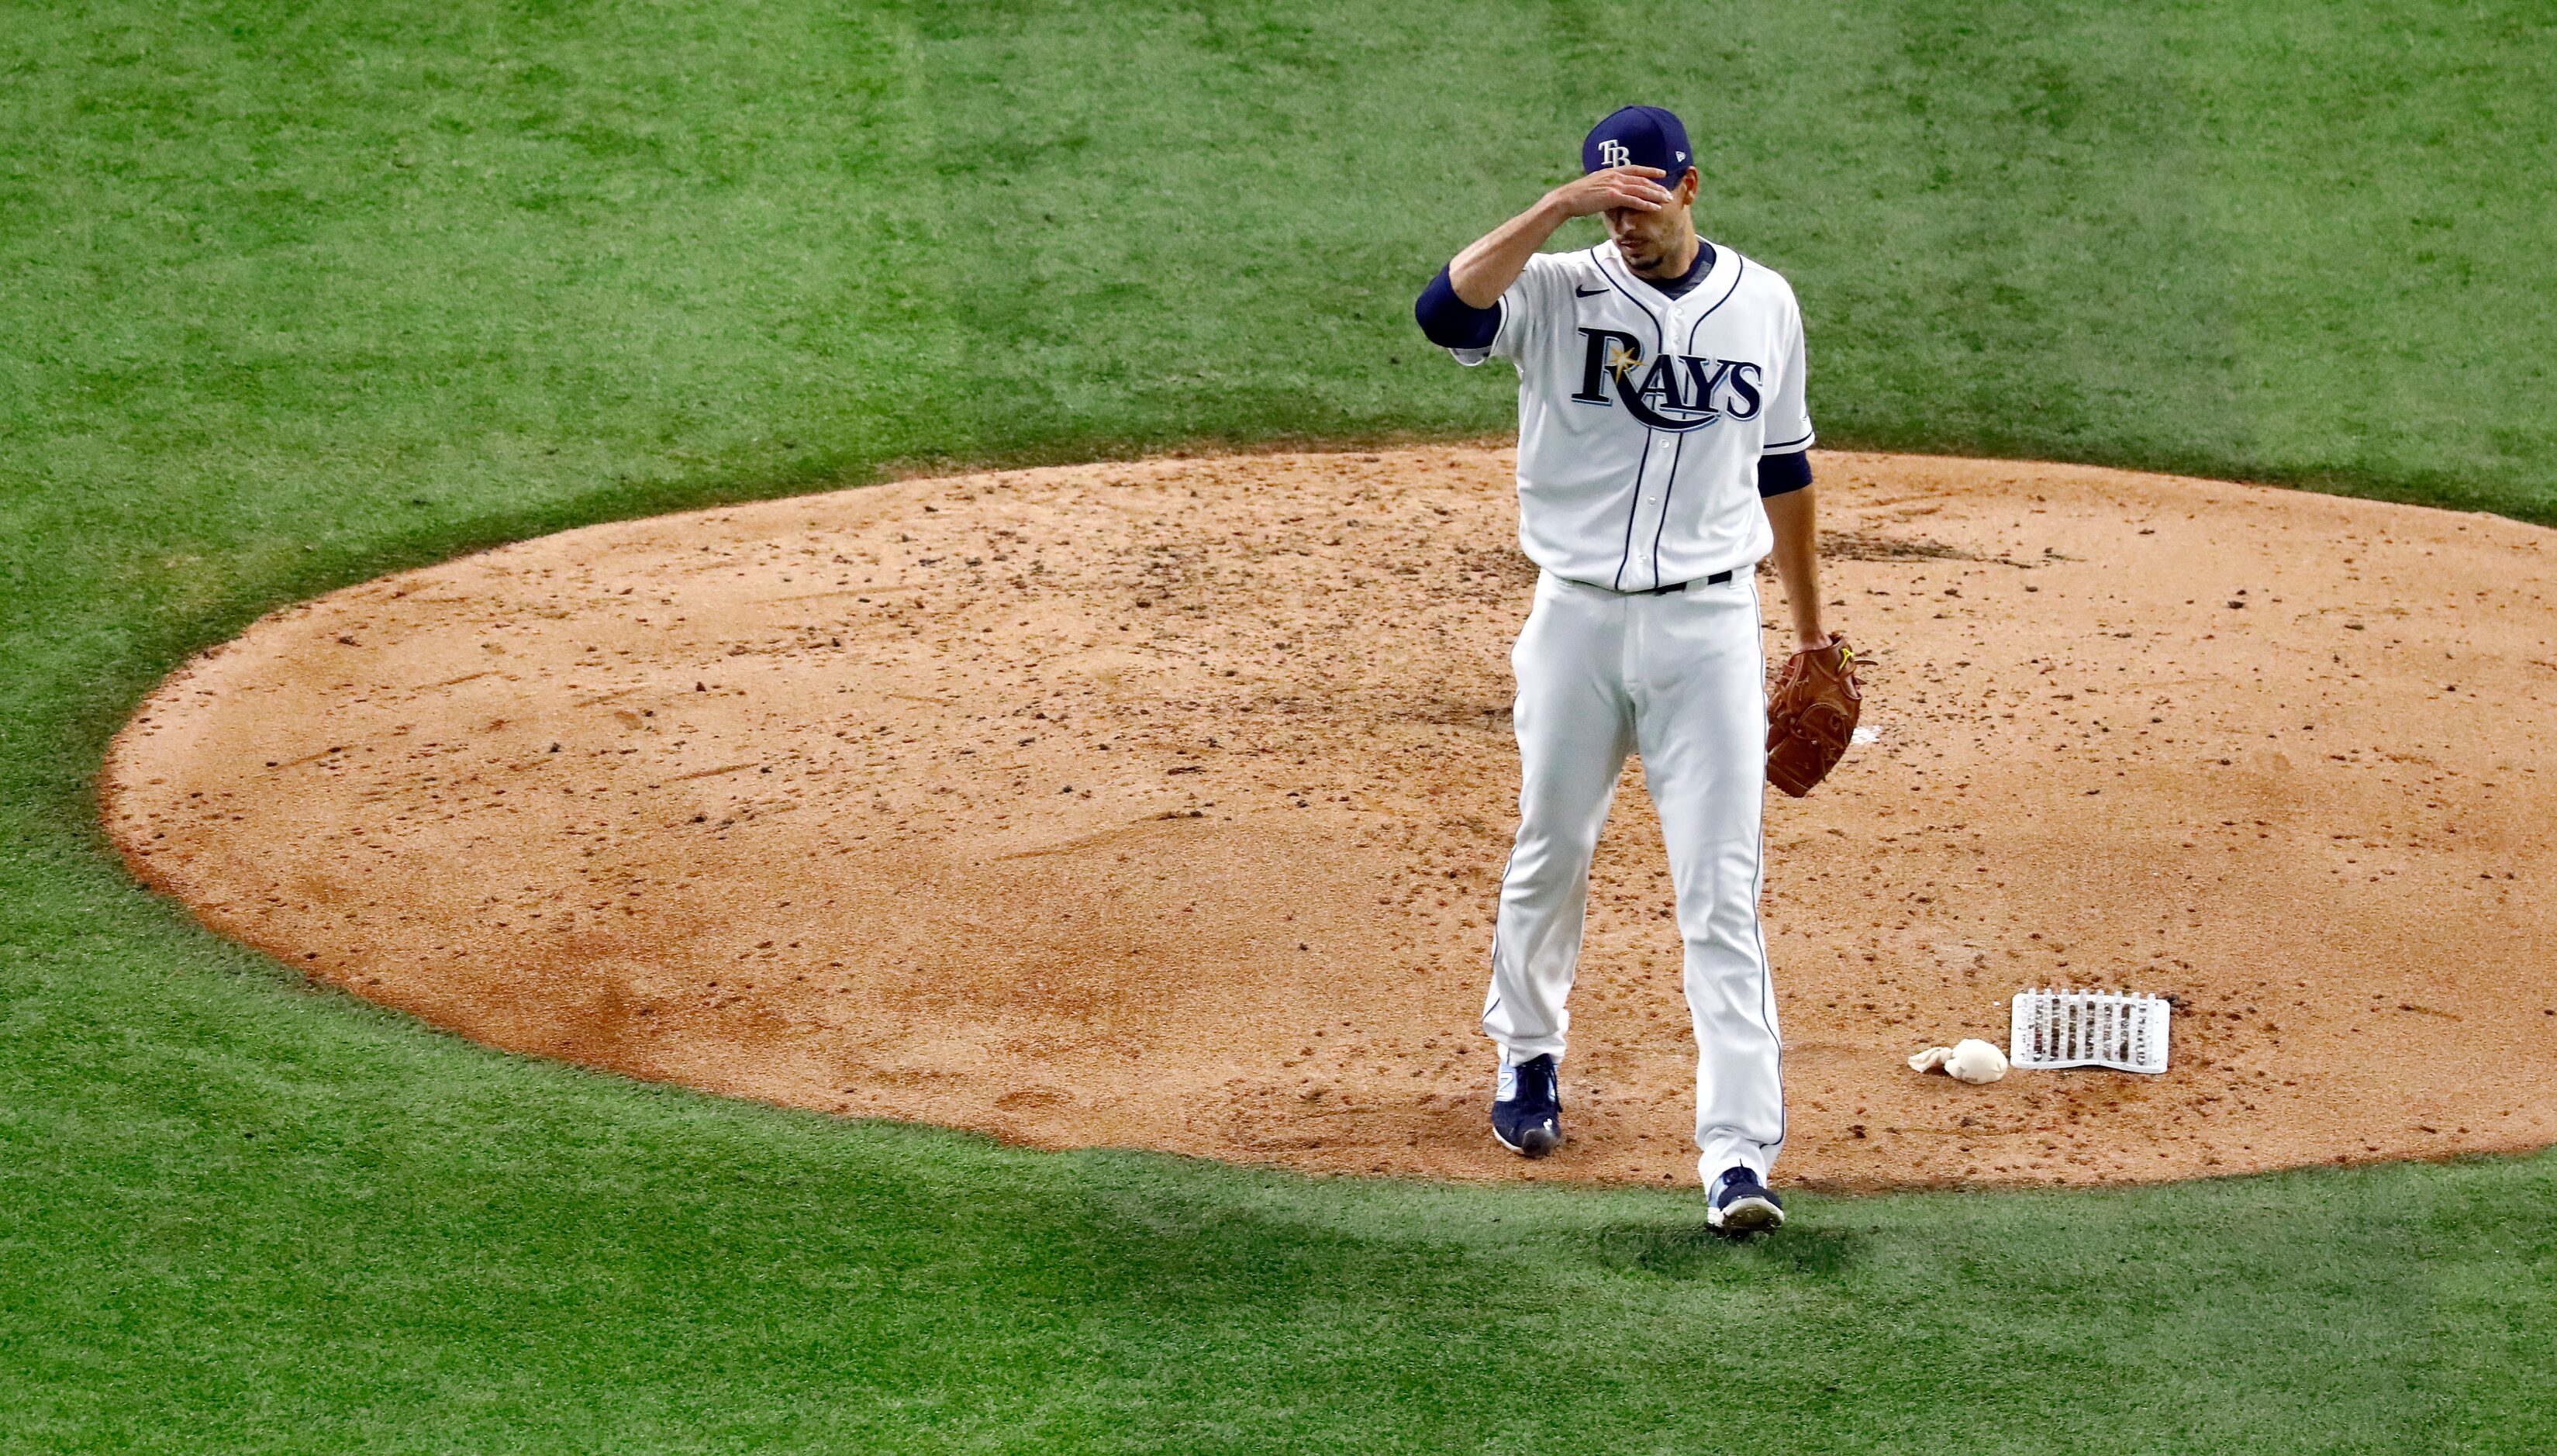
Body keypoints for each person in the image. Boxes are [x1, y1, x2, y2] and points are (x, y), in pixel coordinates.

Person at [1412, 105, 1831, 1231]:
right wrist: (1554, 211)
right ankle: (1527, 1060)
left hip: (1707, 635)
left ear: (1690, 187)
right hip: (1574, 623)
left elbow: (1785, 468)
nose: (1627, 225)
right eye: (1609, 201)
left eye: (1643, 200)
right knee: (1551, 845)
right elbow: (1442, 310)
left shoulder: (1765, 302)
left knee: (1720, 894)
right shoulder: (1550, 289)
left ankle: (1737, 1158)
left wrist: (1808, 634)